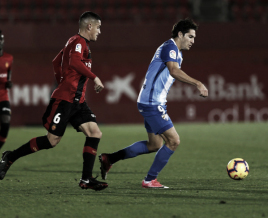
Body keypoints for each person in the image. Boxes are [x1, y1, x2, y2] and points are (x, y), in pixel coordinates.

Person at [0, 12, 108, 191]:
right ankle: (10, 156)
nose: (99, 31)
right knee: (51, 141)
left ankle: (86, 179)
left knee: (95, 133)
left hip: (78, 102)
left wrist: (61, 80)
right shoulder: (79, 42)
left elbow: (56, 61)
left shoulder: (73, 41)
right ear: (89, 26)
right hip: (65, 101)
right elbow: (73, 62)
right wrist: (94, 77)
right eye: (98, 27)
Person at [99, 19, 208, 188]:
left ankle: (110, 158)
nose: (193, 41)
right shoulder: (169, 47)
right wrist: (198, 83)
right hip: (151, 103)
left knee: (154, 145)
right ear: (180, 34)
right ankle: (150, 180)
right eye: (190, 36)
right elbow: (174, 70)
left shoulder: (176, 52)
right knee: (174, 141)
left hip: (151, 102)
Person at [0, 31, 13, 150]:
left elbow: (9, 75)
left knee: (6, 120)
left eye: (1, 39)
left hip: (3, 97)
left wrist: (9, 83)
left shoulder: (8, 58)